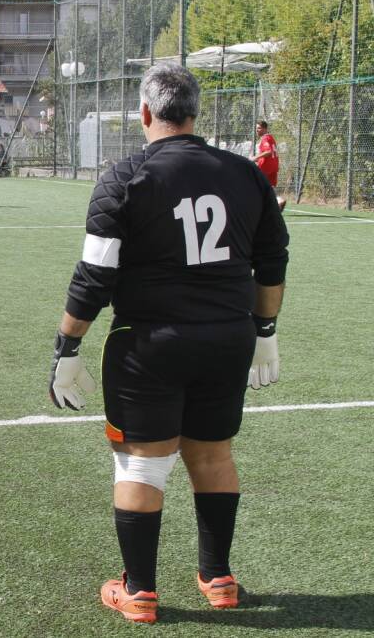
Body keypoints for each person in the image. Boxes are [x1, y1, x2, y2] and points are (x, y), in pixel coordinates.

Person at [47, 64, 289, 624]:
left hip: (150, 343)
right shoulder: (246, 174)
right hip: (228, 337)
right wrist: (266, 331)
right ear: (195, 113)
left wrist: (67, 346)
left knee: (140, 466)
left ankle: (139, 591)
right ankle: (219, 577)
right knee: (213, 453)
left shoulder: (125, 176)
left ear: (145, 113)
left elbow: (95, 276)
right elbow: (273, 259)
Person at [253, 120, 284, 212]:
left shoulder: (265, 138)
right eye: (256, 128)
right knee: (269, 187)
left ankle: (257, 206)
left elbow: (268, 151)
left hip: (265, 167)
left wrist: (255, 158)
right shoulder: (271, 138)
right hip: (273, 166)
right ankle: (278, 200)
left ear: (265, 129)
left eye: (259, 128)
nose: (257, 130)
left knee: (256, 184)